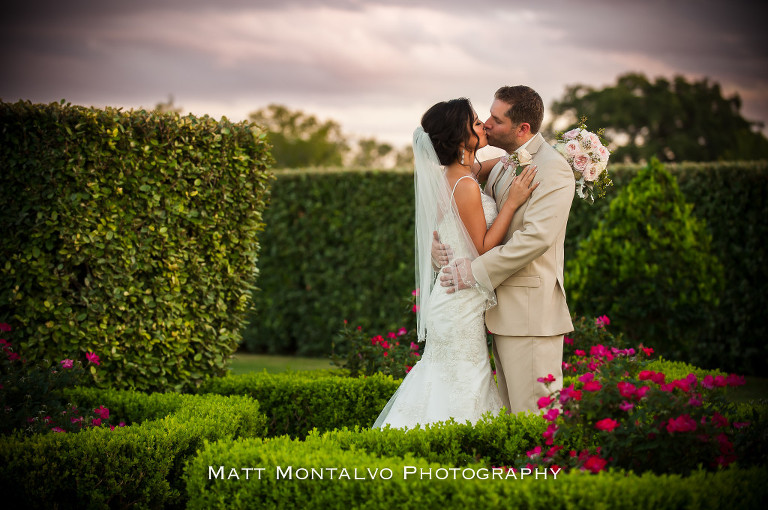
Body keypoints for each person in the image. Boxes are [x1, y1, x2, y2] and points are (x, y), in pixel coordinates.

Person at [373, 98, 538, 429]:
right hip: (460, 303)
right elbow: (482, 248)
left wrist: (518, 156)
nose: (483, 126)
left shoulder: (455, 174)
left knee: (448, 380)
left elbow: (488, 167)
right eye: (476, 122)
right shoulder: (463, 185)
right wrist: (513, 203)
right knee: (464, 380)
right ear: (461, 138)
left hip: (452, 299)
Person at [433, 86, 575, 415]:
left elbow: (534, 238)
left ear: (522, 128)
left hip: (530, 316)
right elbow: (453, 196)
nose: (485, 124)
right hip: (498, 313)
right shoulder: (500, 166)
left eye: (496, 120)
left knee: (535, 419)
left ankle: (546, 472)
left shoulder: (553, 170)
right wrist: (437, 242)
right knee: (511, 419)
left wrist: (474, 271)